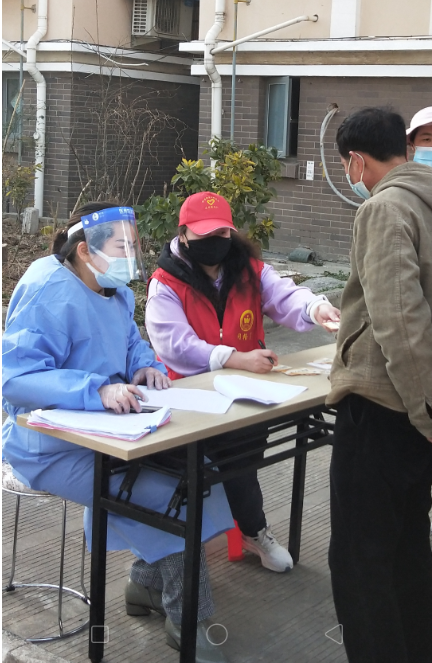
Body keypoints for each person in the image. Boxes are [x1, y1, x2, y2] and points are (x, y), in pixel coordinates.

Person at [2, 202, 234, 663]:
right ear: (85, 250)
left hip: (112, 429)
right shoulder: (47, 289)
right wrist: (96, 390)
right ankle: (188, 619)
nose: (131, 254)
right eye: (121, 246)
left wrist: (145, 365)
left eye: (133, 245)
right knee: (167, 494)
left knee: (199, 475)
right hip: (51, 445)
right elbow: (17, 379)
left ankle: (145, 584)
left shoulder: (114, 290)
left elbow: (130, 343)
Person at [141, 191, 340, 580]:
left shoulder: (248, 270)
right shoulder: (165, 282)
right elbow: (174, 344)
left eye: (221, 233)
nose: (214, 241)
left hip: (248, 389)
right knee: (193, 470)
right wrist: (232, 357)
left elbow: (284, 294)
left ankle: (250, 530)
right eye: (203, 234)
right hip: (187, 395)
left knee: (243, 458)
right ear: (183, 235)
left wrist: (315, 308)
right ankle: (181, 548)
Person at [327, 107, 432, 663]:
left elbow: (399, 321)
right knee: (409, 549)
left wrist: (424, 410)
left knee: (360, 561)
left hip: (385, 407)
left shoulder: (385, 207)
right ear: (406, 148)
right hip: (414, 414)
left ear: (356, 161)